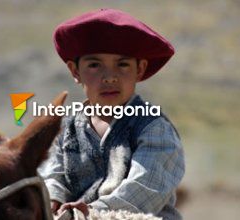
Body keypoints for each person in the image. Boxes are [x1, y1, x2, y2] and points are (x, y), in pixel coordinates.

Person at [40, 8, 185, 220]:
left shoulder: (154, 128)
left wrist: (90, 212)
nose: (109, 77)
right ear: (75, 71)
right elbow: (52, 175)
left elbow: (143, 191)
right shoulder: (67, 130)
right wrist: (53, 200)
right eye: (95, 65)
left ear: (140, 69)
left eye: (123, 64)